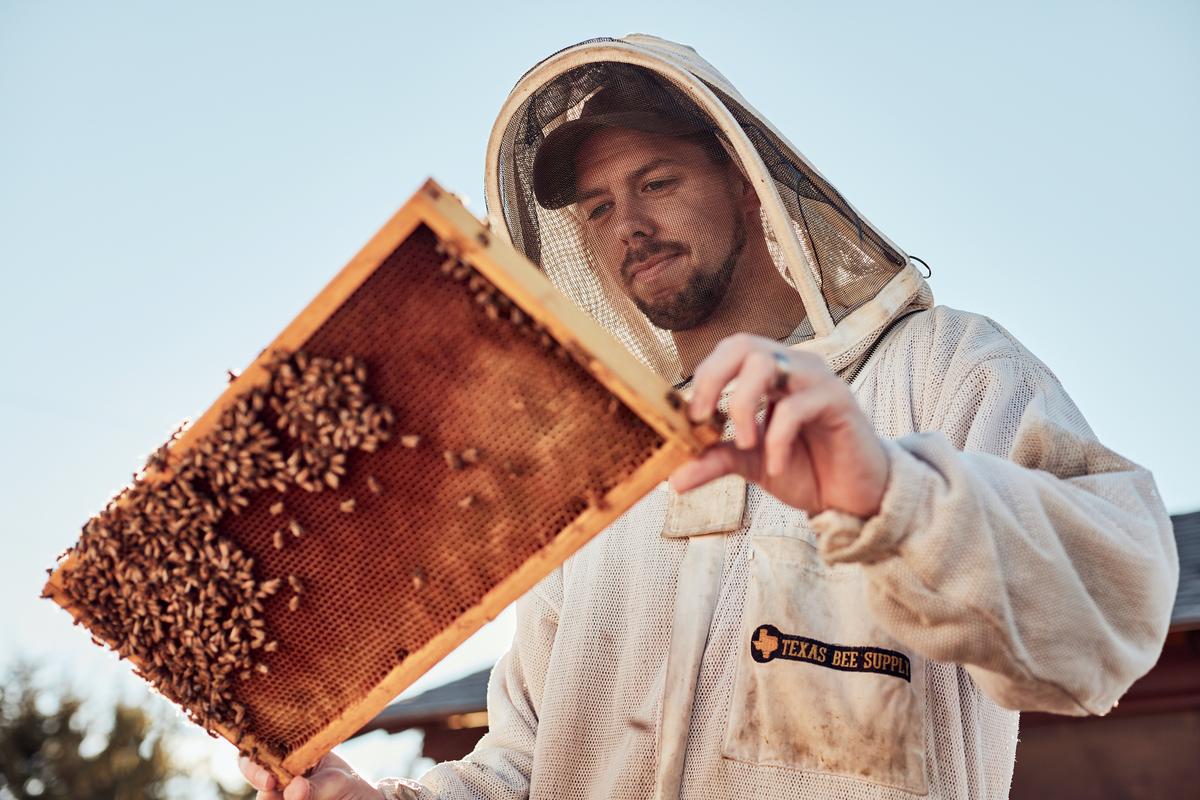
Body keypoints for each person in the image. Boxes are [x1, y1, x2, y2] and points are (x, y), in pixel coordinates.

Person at [241, 34, 1178, 800]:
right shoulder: (597, 483)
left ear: (745, 183)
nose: (627, 226)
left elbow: (1115, 616)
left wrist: (890, 494)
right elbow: (527, 767)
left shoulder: (942, 370)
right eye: (599, 208)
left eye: (655, 183)